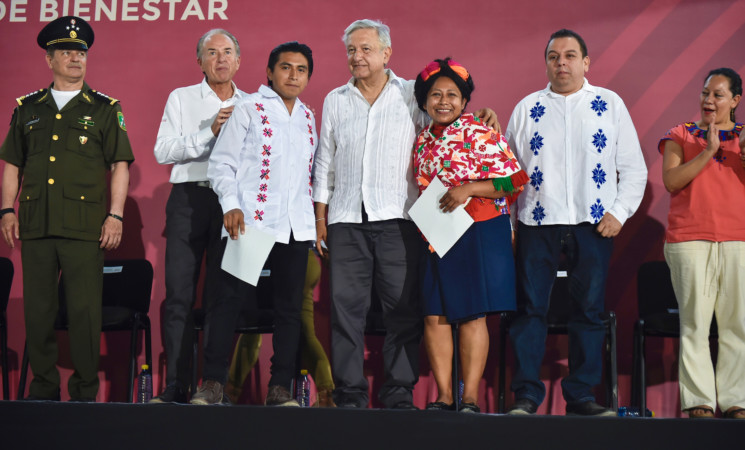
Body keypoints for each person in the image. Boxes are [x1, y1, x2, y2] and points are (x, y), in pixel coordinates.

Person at [313, 18, 499, 410]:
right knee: (345, 312)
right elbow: (323, 163)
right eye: (351, 50)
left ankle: (398, 391)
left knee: (403, 310)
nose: (357, 56)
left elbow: (445, 125)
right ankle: (349, 394)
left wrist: (481, 115)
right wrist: (320, 219)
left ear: (386, 53)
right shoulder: (334, 99)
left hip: (400, 218)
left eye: (365, 49)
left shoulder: (411, 95)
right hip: (346, 219)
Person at [504, 29, 647, 416]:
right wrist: (511, 227)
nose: (561, 63)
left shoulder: (608, 104)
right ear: (546, 62)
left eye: (569, 56)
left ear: (586, 62)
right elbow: (507, 175)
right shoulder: (527, 108)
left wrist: (619, 212)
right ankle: (526, 395)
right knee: (530, 310)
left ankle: (581, 395)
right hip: (538, 222)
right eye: (553, 56)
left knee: (589, 310)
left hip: (593, 223)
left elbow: (633, 167)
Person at [0, 16, 133, 402]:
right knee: (39, 313)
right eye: (66, 52)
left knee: (84, 313)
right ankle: (43, 389)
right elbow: (13, 164)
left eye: (80, 52)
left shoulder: (105, 108)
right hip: (36, 224)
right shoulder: (28, 108)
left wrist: (116, 214)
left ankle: (84, 392)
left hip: (84, 227)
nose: (75, 58)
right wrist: (6, 210)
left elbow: (119, 164)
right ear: (49, 59)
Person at [202, 41, 317, 406]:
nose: (293, 75)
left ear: (308, 76)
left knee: (288, 309)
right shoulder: (248, 108)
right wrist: (231, 205)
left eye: (301, 70)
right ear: (269, 72)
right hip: (249, 222)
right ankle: (212, 383)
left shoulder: (308, 117)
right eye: (285, 67)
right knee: (228, 303)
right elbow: (221, 163)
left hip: (295, 228)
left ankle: (280, 386)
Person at [413, 58, 528, 413]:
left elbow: (516, 180)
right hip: (436, 233)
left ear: (465, 102)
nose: (443, 101)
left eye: (452, 94)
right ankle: (445, 396)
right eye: (435, 94)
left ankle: (470, 398)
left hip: (478, 229)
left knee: (473, 315)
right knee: (435, 315)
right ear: (424, 100)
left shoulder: (481, 132)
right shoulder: (421, 140)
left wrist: (469, 188)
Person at [151, 29, 244, 403]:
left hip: (231, 204)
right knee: (179, 296)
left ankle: (212, 384)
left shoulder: (252, 103)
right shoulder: (181, 98)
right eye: (211, 53)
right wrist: (208, 133)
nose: (220, 59)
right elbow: (162, 151)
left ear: (239, 60)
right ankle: (176, 383)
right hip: (189, 199)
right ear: (199, 61)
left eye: (227, 52)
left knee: (223, 296)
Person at [660, 68, 745, 420]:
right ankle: (699, 402)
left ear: (735, 101)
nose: (709, 101)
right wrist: (708, 151)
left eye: (718, 95)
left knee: (737, 325)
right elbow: (671, 181)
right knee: (694, 324)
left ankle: (736, 400)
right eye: (705, 93)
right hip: (689, 240)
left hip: (739, 239)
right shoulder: (681, 134)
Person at [226, 249, 336, 407]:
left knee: (298, 331)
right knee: (256, 327)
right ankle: (327, 394)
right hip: (281, 256)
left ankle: (327, 395)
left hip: (290, 257)